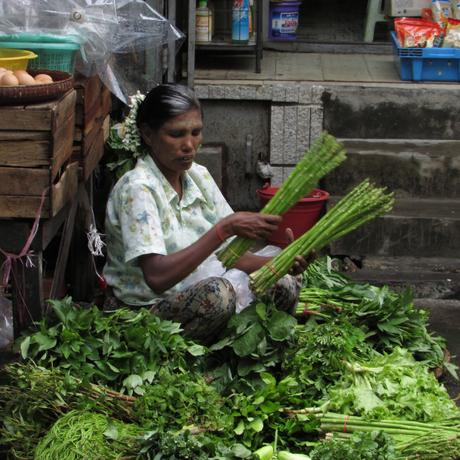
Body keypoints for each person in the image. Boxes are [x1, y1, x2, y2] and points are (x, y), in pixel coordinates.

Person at [103, 84, 307, 344]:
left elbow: (231, 257)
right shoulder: (138, 189)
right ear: (148, 135)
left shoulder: (198, 175)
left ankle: (241, 354)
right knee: (217, 296)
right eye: (176, 134)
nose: (189, 145)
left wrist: (283, 264)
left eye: (195, 133)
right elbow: (156, 277)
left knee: (283, 283)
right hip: (146, 311)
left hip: (196, 290)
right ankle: (191, 361)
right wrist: (224, 229)